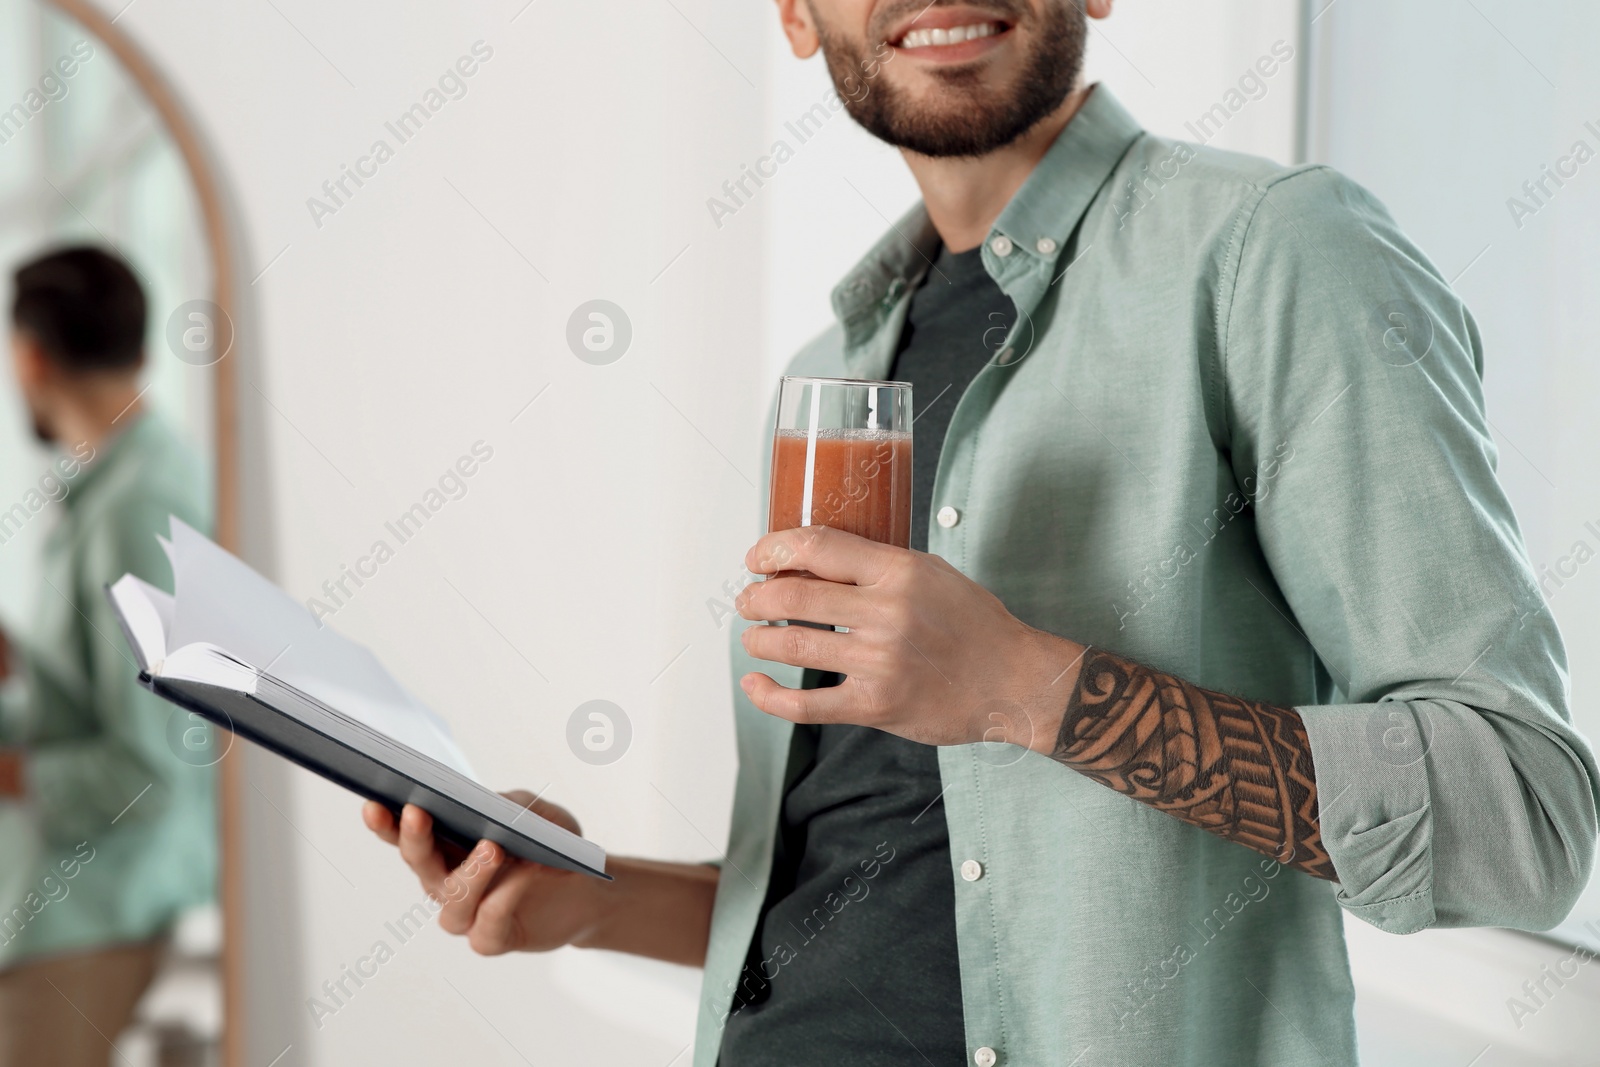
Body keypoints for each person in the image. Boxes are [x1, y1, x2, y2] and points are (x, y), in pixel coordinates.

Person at [365, 2, 1600, 1064]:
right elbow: (876, 891)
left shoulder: (1275, 253)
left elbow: (1525, 818)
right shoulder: (831, 372)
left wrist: (1024, 685)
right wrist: (589, 902)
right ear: (796, 15)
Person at [0, 246, 216, 1067]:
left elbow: (148, 771)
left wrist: (12, 774)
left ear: (29, 355)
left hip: (97, 919)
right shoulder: (116, 489)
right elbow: (94, 706)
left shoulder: (139, 504)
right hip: (83, 915)